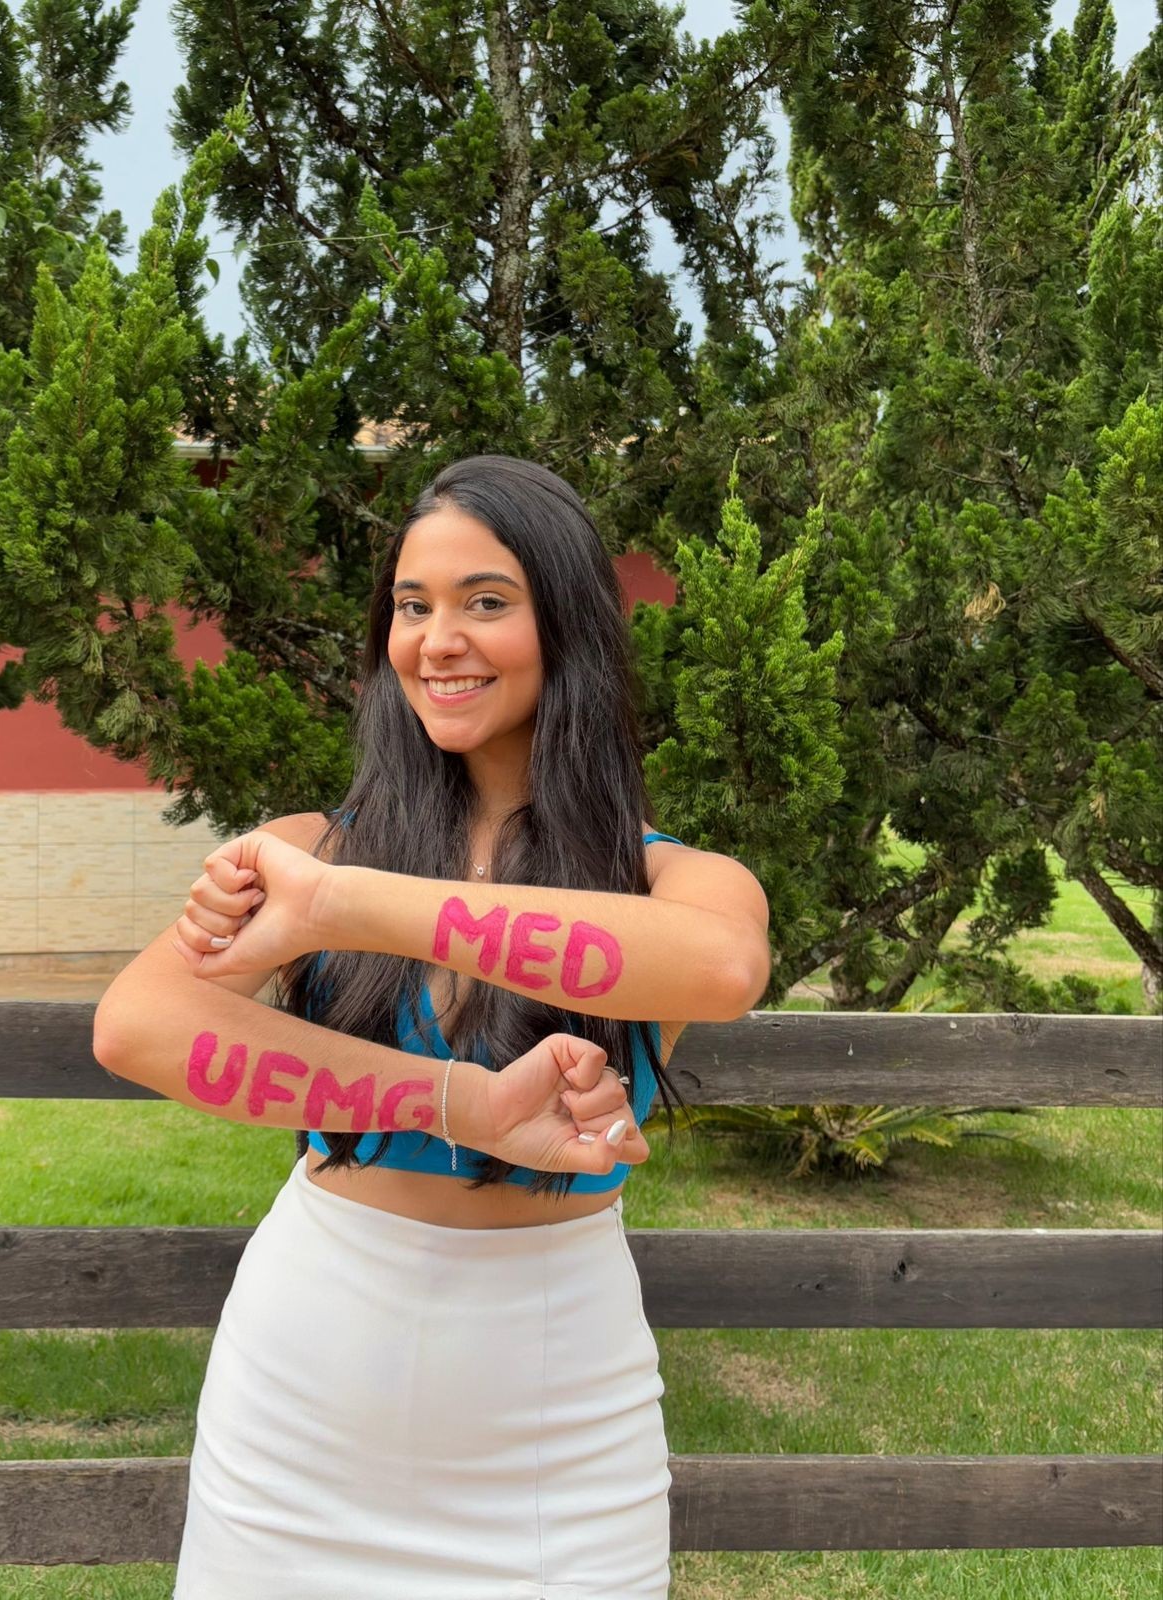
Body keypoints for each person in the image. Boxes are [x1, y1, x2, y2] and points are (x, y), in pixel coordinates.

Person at [92, 453, 771, 1597]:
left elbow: (721, 965)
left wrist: (345, 903)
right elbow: (137, 1023)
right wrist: (459, 1103)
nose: (436, 639)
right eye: (413, 606)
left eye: (485, 602)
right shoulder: (308, 843)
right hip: (298, 1406)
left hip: (557, 1426)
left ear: (569, 629)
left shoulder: (667, 882)